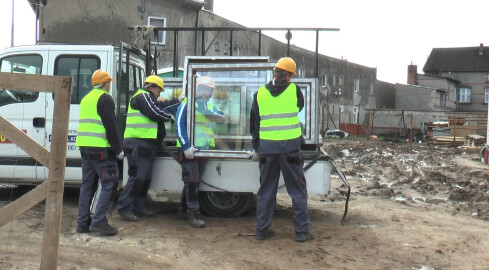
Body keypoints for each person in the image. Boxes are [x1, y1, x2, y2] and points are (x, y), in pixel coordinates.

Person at [250, 57, 315, 242]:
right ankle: (301, 231)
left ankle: (262, 230)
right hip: (290, 150)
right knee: (297, 189)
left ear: (275, 72)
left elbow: (254, 124)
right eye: (291, 75)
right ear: (287, 75)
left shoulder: (260, 93)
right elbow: (299, 106)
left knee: (266, 190)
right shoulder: (294, 91)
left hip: (267, 149)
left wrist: (256, 147)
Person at [116, 75, 180, 221]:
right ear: (151, 88)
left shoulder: (148, 99)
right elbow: (155, 113)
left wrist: (177, 102)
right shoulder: (142, 97)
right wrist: (171, 117)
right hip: (139, 143)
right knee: (138, 177)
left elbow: (160, 107)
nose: (160, 94)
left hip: (146, 144)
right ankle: (123, 206)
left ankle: (138, 207)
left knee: (145, 178)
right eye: (159, 90)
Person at [75, 69, 124, 236]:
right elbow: (110, 127)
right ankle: (99, 222)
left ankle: (82, 224)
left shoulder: (86, 98)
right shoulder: (105, 99)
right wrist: (118, 150)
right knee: (109, 182)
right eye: (109, 82)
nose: (110, 84)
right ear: (105, 83)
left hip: (85, 148)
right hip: (100, 150)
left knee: (87, 186)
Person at [175, 76, 225, 228]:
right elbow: (179, 125)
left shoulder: (208, 105)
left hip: (203, 149)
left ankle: (183, 210)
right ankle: (193, 214)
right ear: (199, 89)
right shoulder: (187, 104)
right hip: (190, 150)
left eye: (210, 90)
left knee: (193, 181)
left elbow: (221, 119)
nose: (209, 93)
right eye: (207, 89)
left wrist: (207, 111)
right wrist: (185, 147)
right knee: (191, 181)